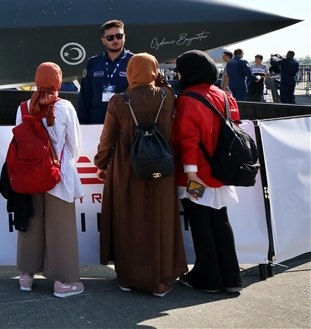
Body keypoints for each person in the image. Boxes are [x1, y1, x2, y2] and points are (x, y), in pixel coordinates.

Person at [93, 53, 187, 297]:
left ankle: (126, 277)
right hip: (162, 169)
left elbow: (107, 140)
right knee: (159, 221)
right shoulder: (168, 97)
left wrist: (101, 164)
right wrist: (159, 79)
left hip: (127, 169)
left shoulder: (119, 101)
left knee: (128, 222)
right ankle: (160, 281)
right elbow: (163, 86)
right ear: (155, 71)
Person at [12, 62, 85, 298]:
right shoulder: (65, 107)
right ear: (58, 82)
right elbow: (74, 146)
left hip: (29, 175)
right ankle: (63, 282)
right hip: (58, 176)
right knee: (60, 228)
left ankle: (26, 276)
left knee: (31, 223)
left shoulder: (23, 107)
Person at [172, 50, 242, 293]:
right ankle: (231, 278)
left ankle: (208, 278)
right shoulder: (225, 96)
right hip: (223, 171)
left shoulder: (186, 99)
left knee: (200, 224)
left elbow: (187, 139)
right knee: (221, 221)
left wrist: (191, 173)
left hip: (196, 173)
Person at [77, 19, 134, 124]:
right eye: (110, 38)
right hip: (97, 119)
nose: (115, 40)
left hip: (125, 119)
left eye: (119, 36)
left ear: (124, 37)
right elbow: (85, 95)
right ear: (103, 40)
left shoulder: (134, 61)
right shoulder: (93, 62)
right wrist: (81, 123)